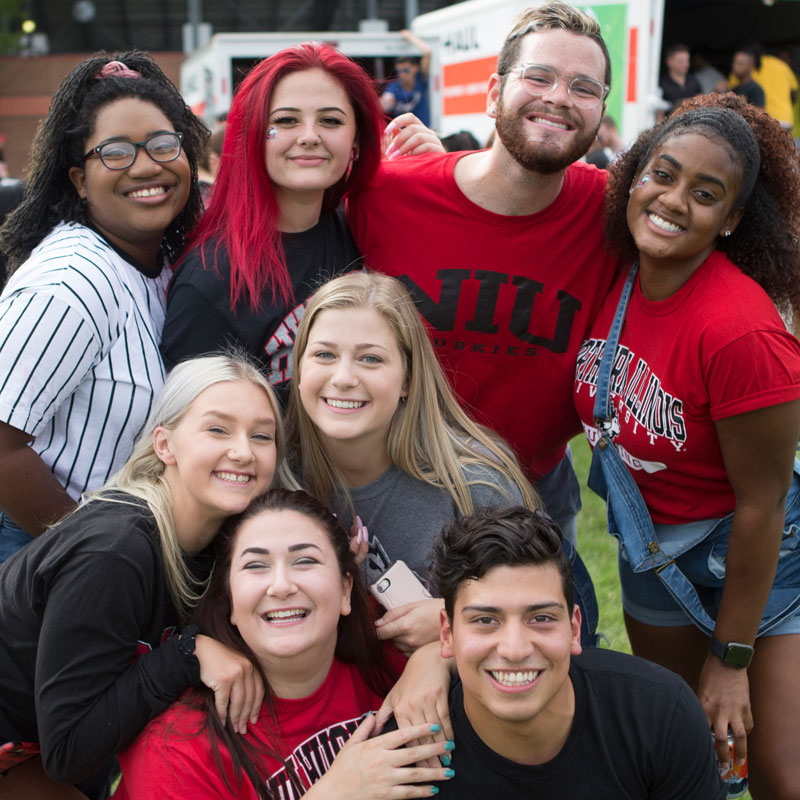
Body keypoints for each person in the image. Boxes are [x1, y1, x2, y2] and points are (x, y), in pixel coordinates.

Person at [574, 95, 800, 798]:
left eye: (705, 194)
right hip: (651, 554)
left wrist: (731, 659)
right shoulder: (611, 270)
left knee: (778, 774)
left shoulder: (742, 332)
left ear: (731, 219)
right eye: (662, 175)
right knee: (684, 762)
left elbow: (763, 506)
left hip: (758, 558)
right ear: (634, 174)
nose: (674, 201)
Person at [348, 2, 619, 548]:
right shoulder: (385, 193)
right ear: (493, 94)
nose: (559, 97)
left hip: (537, 487)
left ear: (599, 111)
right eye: (538, 76)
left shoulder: (615, 215)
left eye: (584, 88)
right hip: (398, 483)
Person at [0, 354, 289, 798]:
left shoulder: (226, 539)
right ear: (165, 445)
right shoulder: (115, 552)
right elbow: (68, 751)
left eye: (261, 435)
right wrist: (188, 654)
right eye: (218, 429)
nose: (243, 451)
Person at [286, 271, 598, 654]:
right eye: (324, 355)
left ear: (407, 379)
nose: (344, 377)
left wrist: (452, 620)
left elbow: (546, 619)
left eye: (370, 358)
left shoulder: (476, 486)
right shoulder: (277, 480)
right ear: (298, 369)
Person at [116, 488, 455, 799]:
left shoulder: (389, 657)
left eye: (305, 560)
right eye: (255, 565)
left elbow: (497, 647)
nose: (280, 586)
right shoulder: (177, 750)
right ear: (231, 601)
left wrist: (435, 658)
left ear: (345, 590)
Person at [0, 52, 207, 561]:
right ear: (78, 180)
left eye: (163, 144)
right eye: (115, 152)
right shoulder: (70, 282)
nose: (146, 165)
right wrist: (94, 555)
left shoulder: (158, 261)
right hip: (40, 550)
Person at [160, 43, 442, 403]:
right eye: (285, 120)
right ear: (253, 137)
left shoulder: (367, 230)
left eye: (331, 120)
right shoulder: (209, 279)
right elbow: (196, 430)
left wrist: (439, 183)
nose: (309, 136)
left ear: (355, 143)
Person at [425, 506, 726, 798]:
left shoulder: (661, 717)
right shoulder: (403, 763)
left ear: (574, 629)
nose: (514, 650)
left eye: (541, 618)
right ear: (447, 634)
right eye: (486, 620)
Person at [380, 30, 432, 127]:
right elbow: (385, 102)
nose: (402, 74)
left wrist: (410, 37)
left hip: (423, 133)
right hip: (403, 137)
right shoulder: (394, 86)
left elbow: (427, 52)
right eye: (399, 71)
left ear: (415, 68)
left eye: (406, 70)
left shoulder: (420, 80)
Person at [658, 43, 702, 120]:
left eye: (687, 60)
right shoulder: (661, 84)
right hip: (670, 127)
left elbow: (701, 103)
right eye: (681, 61)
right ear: (669, 62)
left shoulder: (693, 80)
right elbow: (659, 114)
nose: (686, 64)